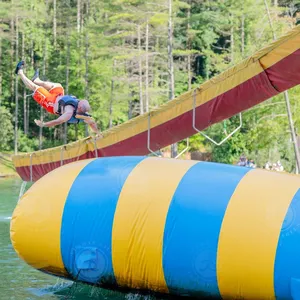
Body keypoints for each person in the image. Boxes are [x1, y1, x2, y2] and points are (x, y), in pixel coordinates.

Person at [15, 61, 102, 136]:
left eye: (79, 102)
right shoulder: (85, 114)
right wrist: (98, 133)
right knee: (58, 85)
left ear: (79, 107)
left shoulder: (68, 113)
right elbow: (92, 123)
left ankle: (19, 72)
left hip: (50, 103)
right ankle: (36, 80)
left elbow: (57, 121)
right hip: (58, 96)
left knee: (35, 88)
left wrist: (44, 124)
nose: (78, 101)